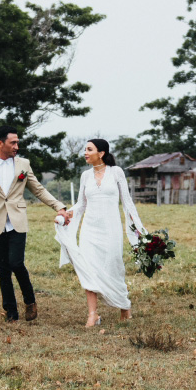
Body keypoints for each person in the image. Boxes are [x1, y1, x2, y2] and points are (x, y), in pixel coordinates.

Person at [0, 126, 70, 322]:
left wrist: (59, 207)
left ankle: (30, 301)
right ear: (0, 143)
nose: (17, 146)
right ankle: (11, 312)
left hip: (17, 222)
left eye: (18, 142)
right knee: (3, 270)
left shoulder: (23, 164)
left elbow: (38, 190)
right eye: (13, 142)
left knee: (16, 263)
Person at [54, 138, 147, 327]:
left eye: (89, 149)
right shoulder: (85, 176)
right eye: (85, 149)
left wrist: (140, 231)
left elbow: (127, 202)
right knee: (88, 269)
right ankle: (92, 314)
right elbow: (81, 204)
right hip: (90, 230)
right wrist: (65, 215)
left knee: (114, 267)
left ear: (101, 153)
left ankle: (124, 307)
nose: (85, 153)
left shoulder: (116, 172)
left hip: (111, 229)